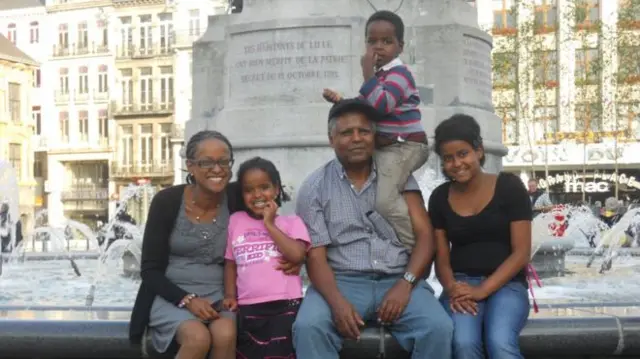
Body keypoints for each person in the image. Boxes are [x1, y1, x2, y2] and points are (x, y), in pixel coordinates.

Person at [293, 98, 453, 359]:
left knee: (438, 328)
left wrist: (407, 283)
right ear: (331, 138)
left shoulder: (398, 175)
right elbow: (316, 257)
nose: (356, 138)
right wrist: (337, 303)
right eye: (346, 132)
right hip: (343, 281)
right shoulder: (314, 187)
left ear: (374, 136)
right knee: (309, 327)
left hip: (398, 277)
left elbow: (425, 236)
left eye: (364, 131)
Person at [128, 131, 302, 359]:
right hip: (172, 294)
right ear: (190, 166)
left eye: (223, 161)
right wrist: (187, 300)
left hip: (221, 295)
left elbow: (266, 218)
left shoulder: (236, 196)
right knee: (197, 338)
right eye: (207, 162)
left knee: (225, 335)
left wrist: (294, 259)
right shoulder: (167, 201)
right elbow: (150, 270)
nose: (217, 169)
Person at [322, 10, 428, 250]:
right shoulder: (378, 79)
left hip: (406, 146)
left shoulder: (400, 74)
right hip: (389, 148)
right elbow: (363, 109)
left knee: (385, 202)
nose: (378, 47)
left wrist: (367, 72)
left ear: (400, 46)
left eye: (386, 42)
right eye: (372, 41)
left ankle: (416, 246)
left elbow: (380, 106)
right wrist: (340, 102)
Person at [428, 114, 532, 359]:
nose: (456, 163)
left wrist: (483, 289)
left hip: (507, 285)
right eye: (448, 158)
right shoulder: (440, 197)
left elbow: (522, 253)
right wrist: (452, 288)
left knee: (500, 342)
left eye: (463, 154)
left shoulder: (509, 187)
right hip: (462, 284)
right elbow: (441, 257)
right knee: (463, 344)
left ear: (479, 151)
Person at [223, 157, 310, 359]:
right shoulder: (235, 221)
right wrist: (229, 295)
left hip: (284, 305)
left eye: (264, 187)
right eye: (249, 190)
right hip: (248, 307)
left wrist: (269, 224)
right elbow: (230, 263)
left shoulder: (291, 222)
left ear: (276, 189)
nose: (257, 195)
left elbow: (297, 254)